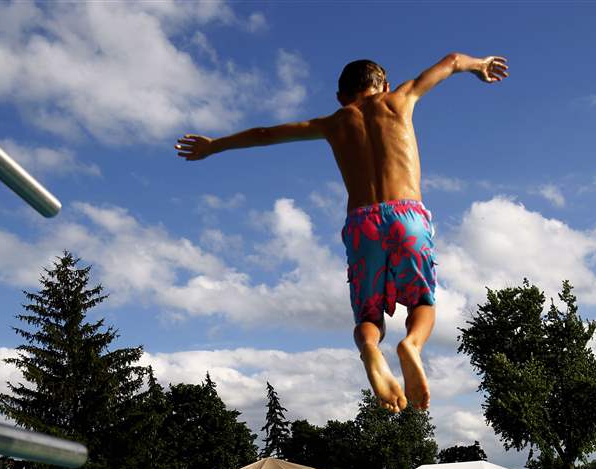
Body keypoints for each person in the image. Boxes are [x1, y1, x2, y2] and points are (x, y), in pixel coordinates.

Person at [177, 54, 509, 412]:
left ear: (340, 97)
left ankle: (370, 349)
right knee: (421, 302)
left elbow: (265, 134)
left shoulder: (333, 123)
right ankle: (411, 344)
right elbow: (453, 61)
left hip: (363, 224)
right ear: (384, 85)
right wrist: (479, 65)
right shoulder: (400, 99)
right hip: (407, 216)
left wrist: (214, 146)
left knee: (368, 317)